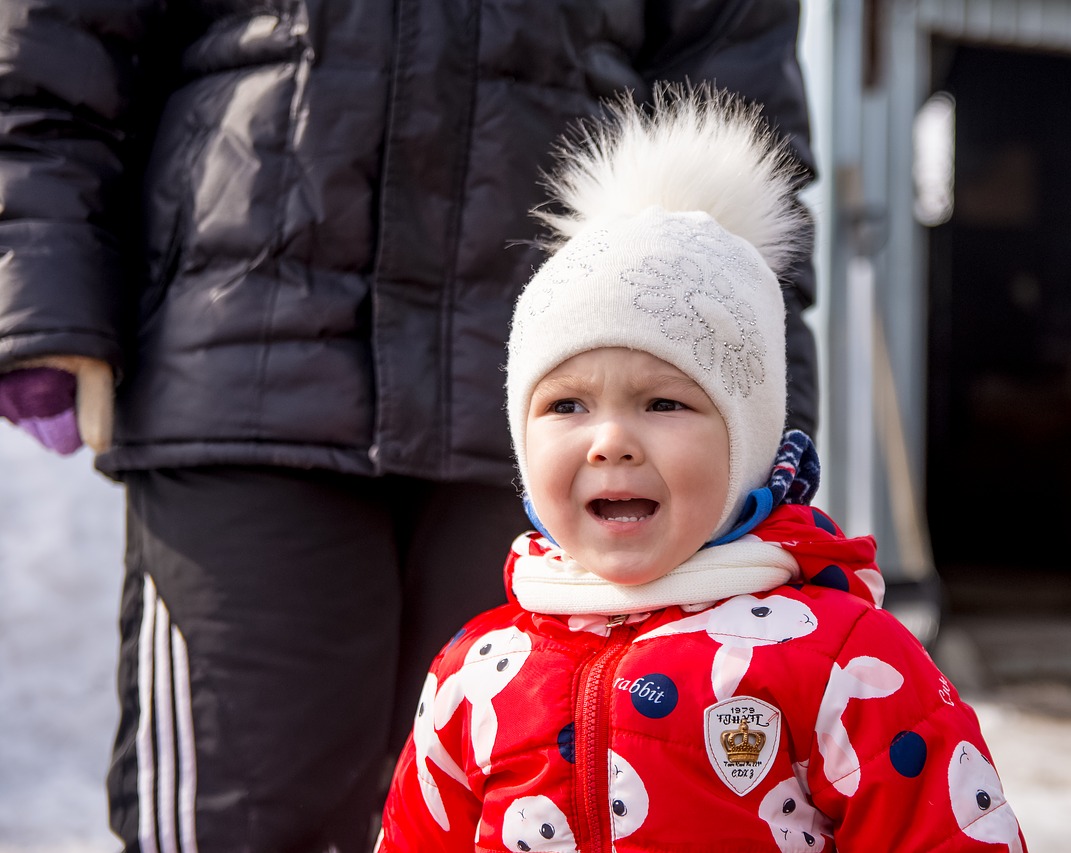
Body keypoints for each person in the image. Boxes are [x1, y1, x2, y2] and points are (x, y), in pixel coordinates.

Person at [0, 3, 820, 850]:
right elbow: (58, 45)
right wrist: (37, 263)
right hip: (243, 359)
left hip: (565, 390)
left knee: (548, 801)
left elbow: (733, 93)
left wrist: (762, 416)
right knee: (243, 816)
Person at [376, 87, 1025, 852]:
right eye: (566, 406)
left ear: (746, 439)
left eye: (662, 403)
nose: (609, 441)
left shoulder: (845, 661)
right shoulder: (477, 673)